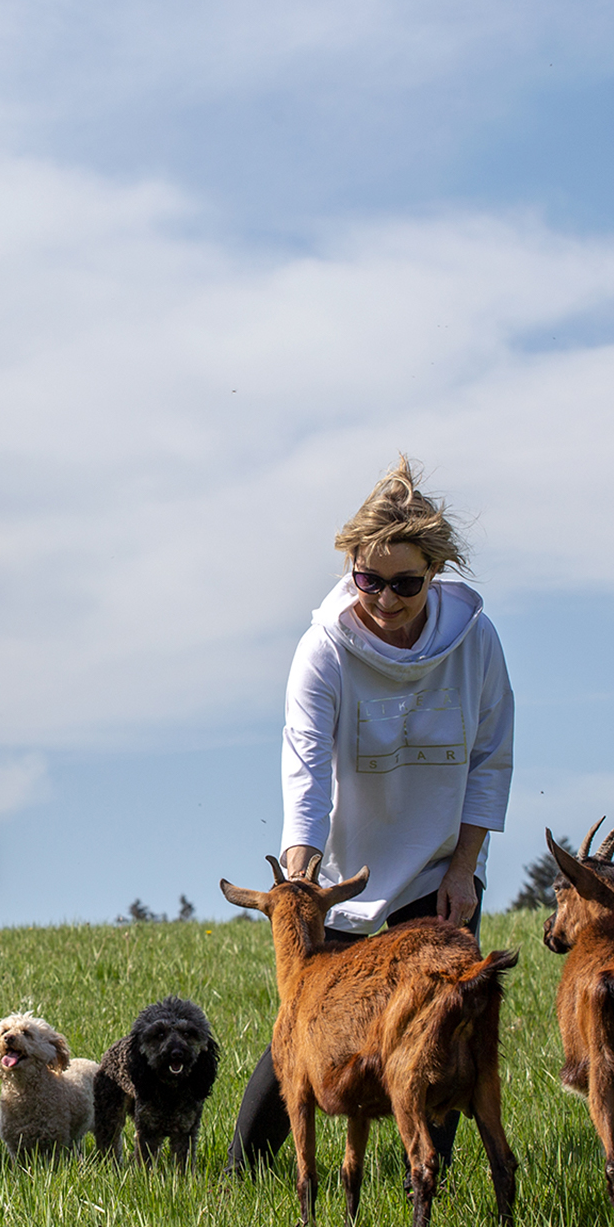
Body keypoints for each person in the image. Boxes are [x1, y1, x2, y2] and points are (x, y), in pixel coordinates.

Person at [226, 457, 514, 1174]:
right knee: (306, 1029)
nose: (385, 599)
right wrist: (302, 864)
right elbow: (305, 764)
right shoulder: (323, 648)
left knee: (445, 1028)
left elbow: (490, 759)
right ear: (351, 568)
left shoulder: (474, 642)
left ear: (436, 573)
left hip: (436, 868)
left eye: (406, 584)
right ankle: (242, 1173)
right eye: (369, 580)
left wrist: (463, 870)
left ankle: (431, 1184)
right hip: (345, 875)